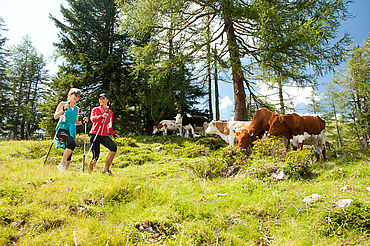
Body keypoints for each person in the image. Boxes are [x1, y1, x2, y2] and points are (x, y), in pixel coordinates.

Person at [54, 88, 88, 171]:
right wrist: (63, 109)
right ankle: (61, 165)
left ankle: (65, 170)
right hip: (62, 128)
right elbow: (55, 116)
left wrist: (83, 122)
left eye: (79, 97)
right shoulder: (63, 104)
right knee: (71, 142)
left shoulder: (77, 109)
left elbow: (75, 122)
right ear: (70, 95)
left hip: (71, 130)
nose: (77, 98)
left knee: (71, 146)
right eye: (75, 95)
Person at [88, 93, 119, 175]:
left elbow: (109, 126)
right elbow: (93, 119)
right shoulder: (95, 109)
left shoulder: (110, 112)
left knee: (113, 148)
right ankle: (89, 174)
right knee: (95, 156)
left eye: (103, 98)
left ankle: (105, 170)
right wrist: (101, 116)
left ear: (107, 100)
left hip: (104, 135)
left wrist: (113, 134)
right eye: (100, 99)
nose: (101, 100)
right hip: (95, 133)